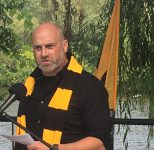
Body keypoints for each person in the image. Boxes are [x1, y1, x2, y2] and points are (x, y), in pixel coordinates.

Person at [15, 22, 111, 150]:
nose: (43, 53)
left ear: (65, 45)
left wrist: (54, 148)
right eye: (38, 48)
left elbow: (99, 142)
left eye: (50, 46)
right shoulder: (29, 86)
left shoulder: (90, 86)